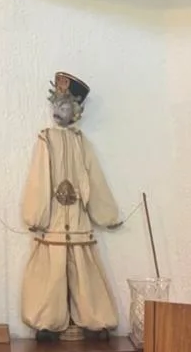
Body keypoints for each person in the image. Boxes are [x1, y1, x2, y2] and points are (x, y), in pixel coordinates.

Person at [20, 73, 122, 337]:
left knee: (84, 270)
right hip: (54, 217)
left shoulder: (81, 142)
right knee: (51, 273)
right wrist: (35, 215)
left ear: (75, 111)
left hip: (77, 217)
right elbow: (39, 178)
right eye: (55, 105)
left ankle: (94, 320)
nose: (57, 111)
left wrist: (106, 215)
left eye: (64, 106)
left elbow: (95, 179)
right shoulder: (46, 139)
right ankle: (46, 322)